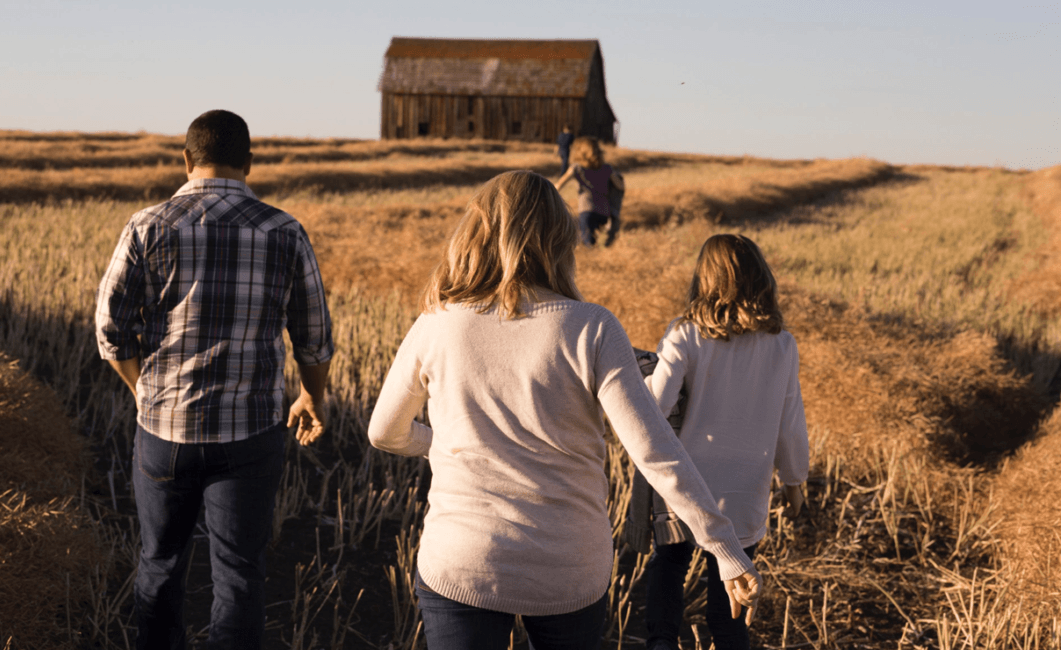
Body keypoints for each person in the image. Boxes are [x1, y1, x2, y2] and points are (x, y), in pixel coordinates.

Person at [367, 171, 762, 650]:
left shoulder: (438, 323)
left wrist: (441, 446)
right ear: (560, 238)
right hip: (568, 569)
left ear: (477, 233)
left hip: (462, 561)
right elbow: (655, 452)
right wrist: (724, 547)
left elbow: (385, 431)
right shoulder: (592, 329)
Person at [95, 109, 334, 650]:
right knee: (241, 573)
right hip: (250, 436)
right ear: (250, 163)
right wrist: (311, 396)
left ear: (185, 160)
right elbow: (314, 336)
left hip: (164, 432)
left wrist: (143, 394)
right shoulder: (284, 230)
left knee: (159, 564)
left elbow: (110, 332)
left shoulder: (147, 225)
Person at [639, 234, 809, 650]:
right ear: (761, 279)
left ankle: (660, 642)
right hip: (746, 485)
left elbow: (654, 405)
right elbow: (790, 421)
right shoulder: (782, 344)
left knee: (670, 562)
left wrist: (636, 374)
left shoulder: (686, 334)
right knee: (730, 593)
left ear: (705, 279)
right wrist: (794, 481)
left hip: (689, 481)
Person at [555, 137, 625, 247]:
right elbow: (620, 187)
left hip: (586, 210)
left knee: (587, 246)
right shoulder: (607, 168)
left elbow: (558, 185)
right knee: (601, 246)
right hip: (604, 213)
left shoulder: (577, 168)